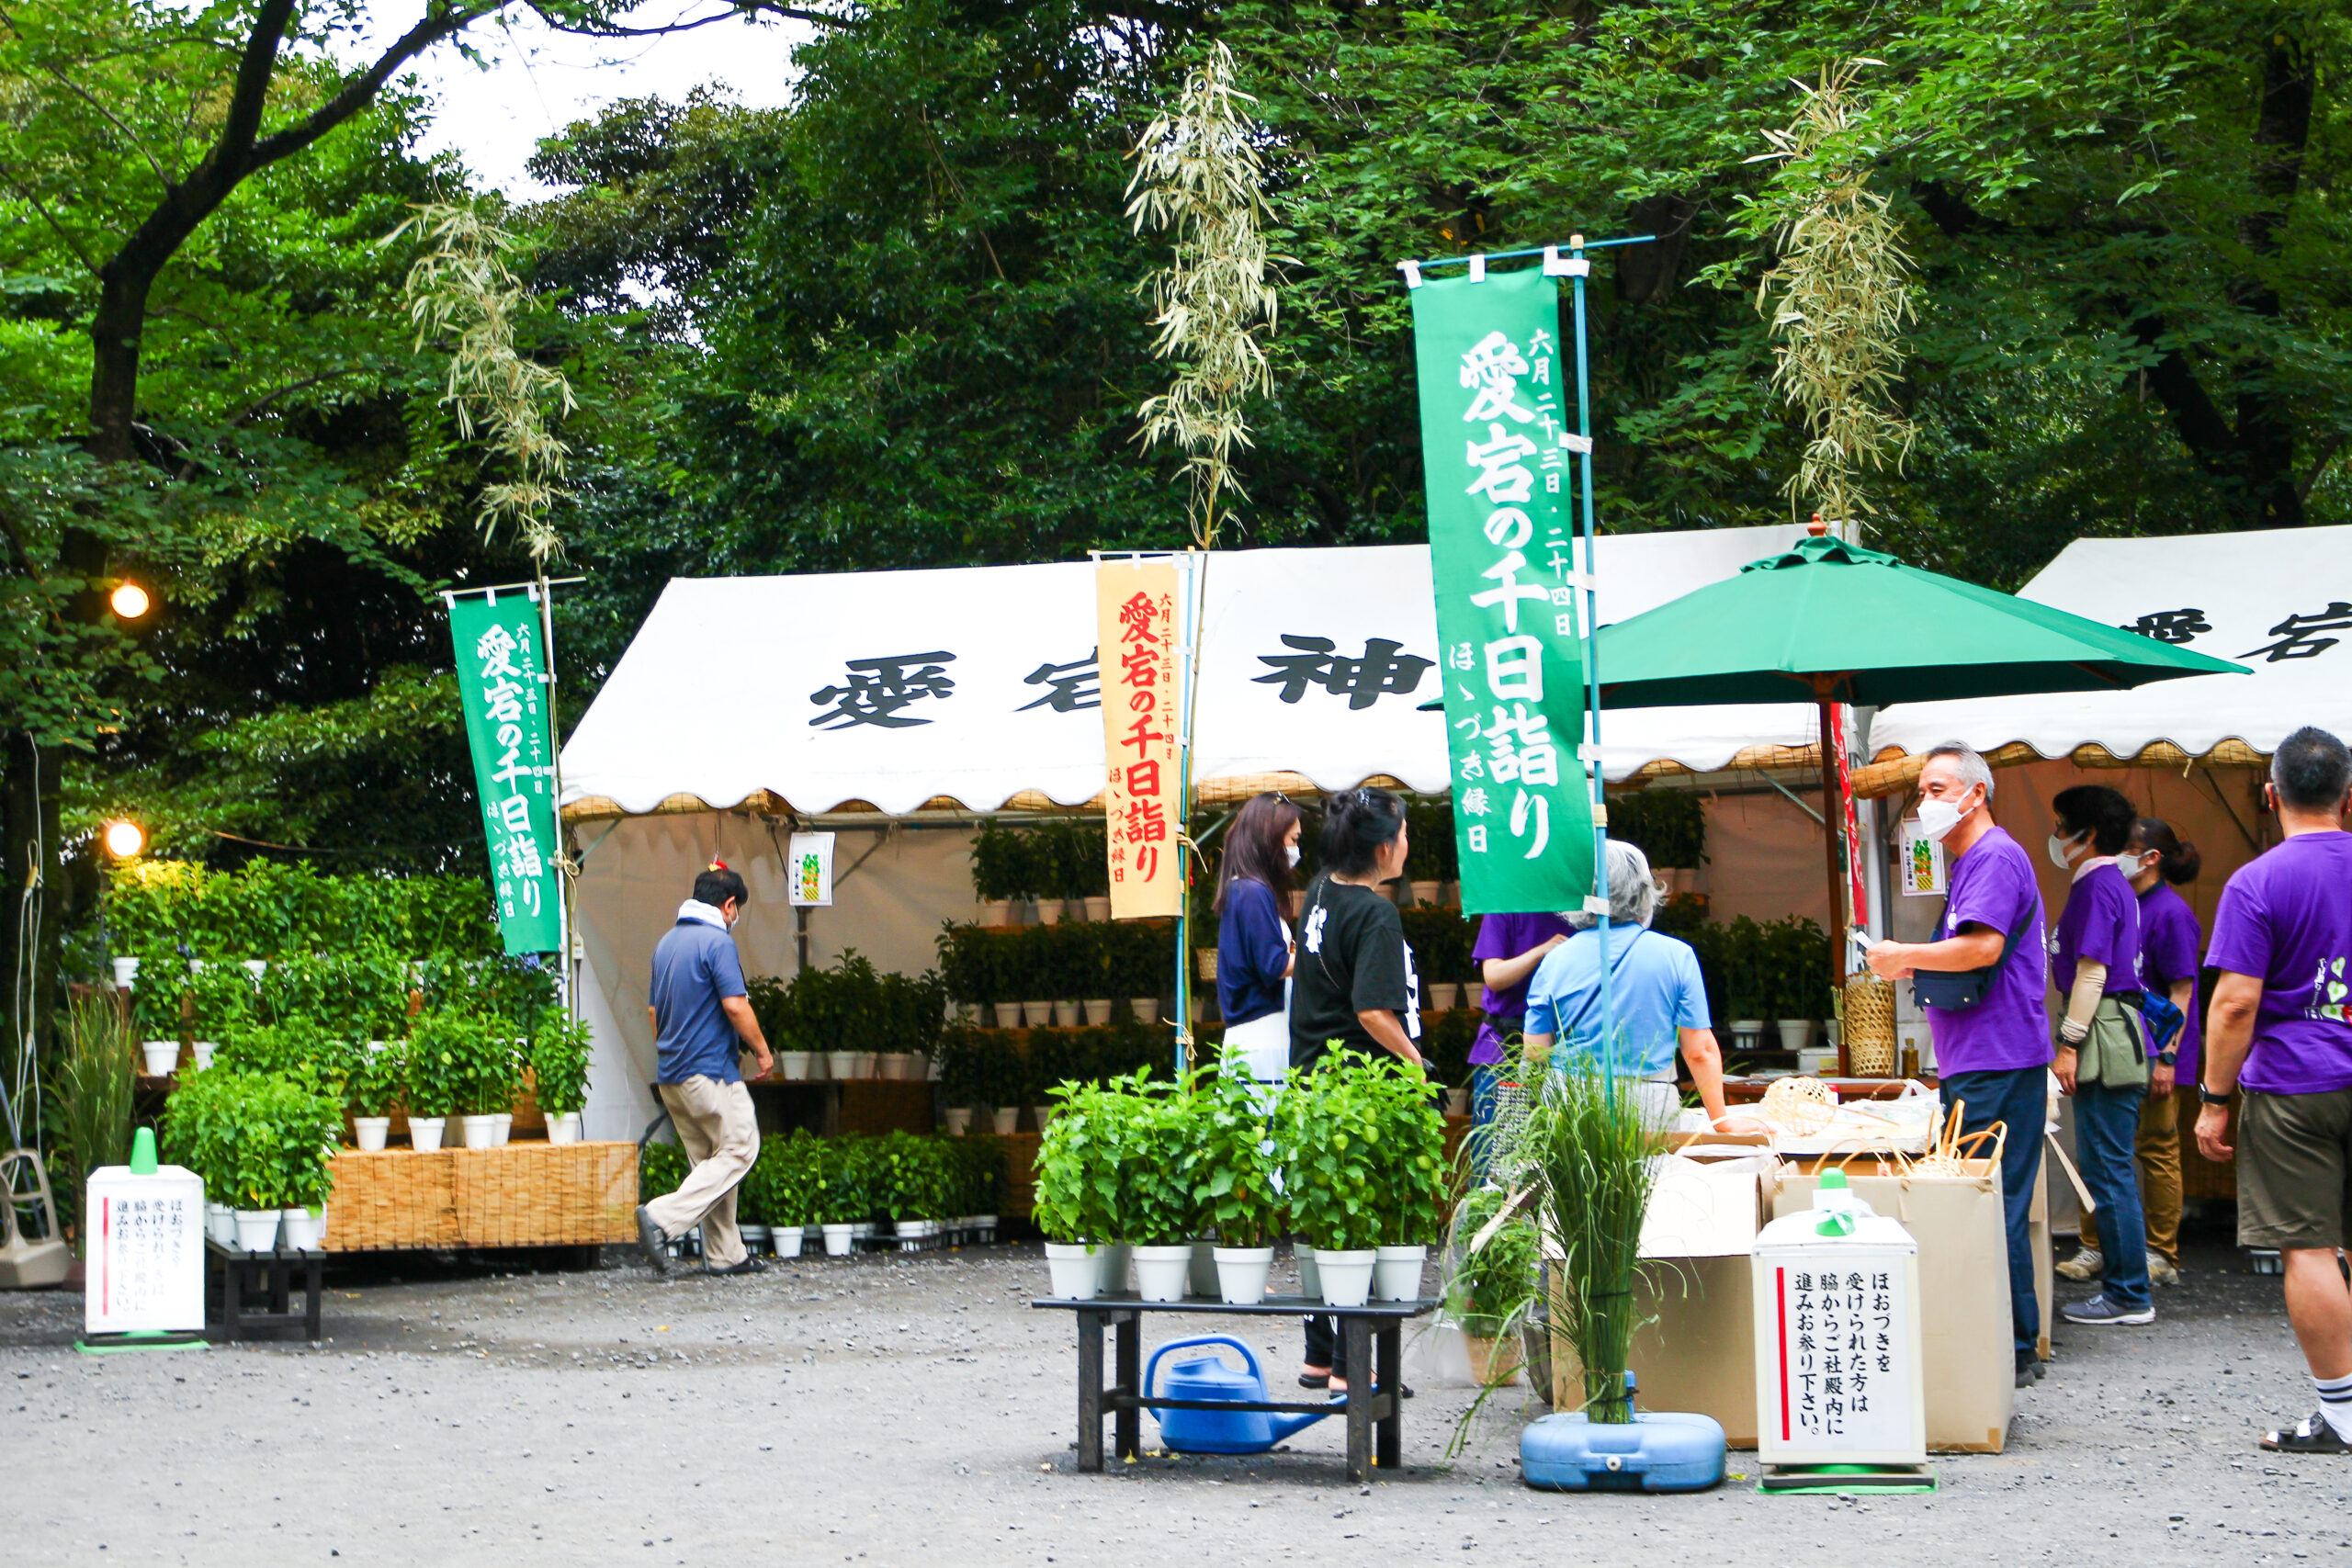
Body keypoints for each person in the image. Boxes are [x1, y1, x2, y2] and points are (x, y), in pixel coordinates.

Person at [1865, 742, 2052, 1388]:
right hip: (1992, 1053)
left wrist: (1902, 955)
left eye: (1938, 788)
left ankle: (2009, 1345)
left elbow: (1982, 946)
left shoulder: (1995, 855)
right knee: (1994, 1198)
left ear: (1977, 793)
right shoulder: (1979, 856)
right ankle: (2013, 1341)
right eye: (1921, 790)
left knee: (1986, 1201)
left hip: (1994, 1056)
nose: (1925, 802)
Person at [2194, 726, 2352, 1453]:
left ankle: (2344, 1415)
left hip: (2295, 1086)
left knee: (2311, 1248)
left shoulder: (2256, 881)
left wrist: (2215, 1098)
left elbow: (2233, 1005)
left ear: (2271, 793)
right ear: (2348, 796)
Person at [1290, 786, 1428, 1392]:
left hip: (1310, 1079)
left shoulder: (1319, 890)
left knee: (1323, 1219)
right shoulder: (1375, 913)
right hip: (1354, 1089)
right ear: (1382, 848)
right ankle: (1354, 1365)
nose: (1408, 841)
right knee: (1360, 1222)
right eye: (1402, 831)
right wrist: (1415, 1061)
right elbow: (1373, 1010)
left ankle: (1320, 1355)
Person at [1516, 838, 1758, 1136]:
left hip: (1571, 1105)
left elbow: (1535, 1054)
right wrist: (1721, 1121)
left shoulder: (1555, 960)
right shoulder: (1676, 954)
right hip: (1650, 1103)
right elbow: (1699, 1051)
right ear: (1645, 890)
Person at [2062, 816, 2199, 1286]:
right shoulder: (2113, 896)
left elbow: (2182, 990)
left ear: (2151, 858)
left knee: (2156, 1149)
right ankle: (2094, 1246)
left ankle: (2161, 1252)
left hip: (2153, 1048)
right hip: (2109, 1045)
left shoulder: (2171, 912)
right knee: (2098, 1150)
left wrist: (2168, 1055)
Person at [2044, 784, 2154, 1328]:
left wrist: (2068, 1042)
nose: (2056, 835)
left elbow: (2092, 973)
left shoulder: (2096, 886)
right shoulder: (2114, 883)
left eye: (2062, 825)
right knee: (2110, 1165)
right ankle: (2127, 1288)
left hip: (2103, 1030)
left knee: (2108, 1168)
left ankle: (2129, 1294)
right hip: (2116, 1028)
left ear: (2087, 834)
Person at [635, 862, 775, 1279]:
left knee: (711, 1165)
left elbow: (653, 1012)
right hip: (710, 1072)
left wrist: (671, 1050)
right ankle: (661, 1218)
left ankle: (726, 1253)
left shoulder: (666, 944)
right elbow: (735, 1005)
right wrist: (763, 1051)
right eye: (736, 910)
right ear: (728, 905)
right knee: (739, 1148)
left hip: (672, 1076)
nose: (735, 919)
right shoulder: (717, 943)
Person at [1215, 792, 1303, 1086]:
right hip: (1263, 1038)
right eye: (1293, 840)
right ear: (1270, 839)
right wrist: (1321, 955)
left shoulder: (1243, 888)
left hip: (1256, 1036)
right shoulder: (1253, 892)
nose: (1295, 849)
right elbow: (1273, 965)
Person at [1468, 908, 1573, 1153]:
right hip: (1506, 1050)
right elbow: (1493, 976)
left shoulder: (1581, 910)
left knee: (1557, 1158)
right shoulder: (1505, 906)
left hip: (1564, 1053)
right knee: (1496, 1156)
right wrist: (1542, 951)